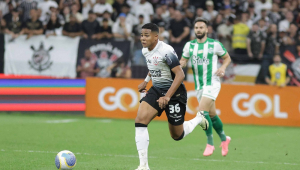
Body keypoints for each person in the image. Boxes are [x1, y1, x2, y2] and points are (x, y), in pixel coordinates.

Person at [135, 23, 208, 170]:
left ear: (156, 36)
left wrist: (168, 97)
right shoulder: (145, 50)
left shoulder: (166, 51)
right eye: (142, 35)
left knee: (177, 135)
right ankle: (143, 166)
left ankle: (198, 119)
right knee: (140, 121)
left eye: (146, 35)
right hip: (157, 90)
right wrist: (146, 81)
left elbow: (180, 74)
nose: (143, 38)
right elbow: (154, 66)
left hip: (175, 93)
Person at [180, 17, 231, 157]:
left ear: (207, 29)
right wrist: (181, 64)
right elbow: (183, 60)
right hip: (199, 86)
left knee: (202, 112)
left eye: (201, 27)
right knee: (212, 115)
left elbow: (227, 57)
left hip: (213, 82)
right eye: (196, 28)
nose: (199, 30)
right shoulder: (189, 46)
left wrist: (223, 67)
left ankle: (210, 143)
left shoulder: (215, 44)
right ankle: (224, 139)